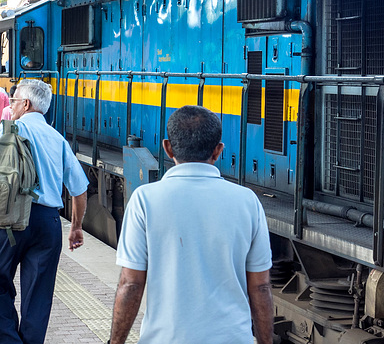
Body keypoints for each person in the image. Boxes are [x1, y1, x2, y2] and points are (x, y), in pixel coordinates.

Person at [109, 105, 274, 344]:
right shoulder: (248, 201)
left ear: (167, 147)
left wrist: (115, 342)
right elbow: (260, 287)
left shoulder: (145, 200)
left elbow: (131, 283)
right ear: (218, 151)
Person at [0, 79, 88, 344]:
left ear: (26, 104)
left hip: (8, 222)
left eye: (14, 100)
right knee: (39, 294)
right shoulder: (57, 138)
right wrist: (75, 227)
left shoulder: (8, 131)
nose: (11, 105)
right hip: (47, 224)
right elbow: (79, 188)